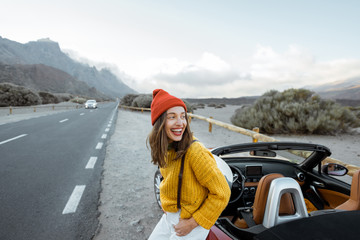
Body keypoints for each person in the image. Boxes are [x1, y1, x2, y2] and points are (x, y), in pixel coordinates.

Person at [148, 89, 231, 240]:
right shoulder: (166, 147)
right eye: (172, 117)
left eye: (182, 116)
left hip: (192, 221)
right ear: (159, 122)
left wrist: (192, 223)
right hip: (171, 216)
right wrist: (166, 205)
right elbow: (167, 179)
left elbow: (222, 193)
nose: (180, 123)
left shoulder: (195, 151)